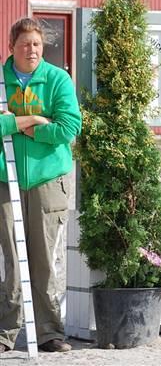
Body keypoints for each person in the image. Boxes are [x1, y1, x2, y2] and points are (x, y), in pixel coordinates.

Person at [0, 18, 82, 354]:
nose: (31, 50)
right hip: (6, 180)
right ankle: (6, 332)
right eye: (24, 44)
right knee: (12, 258)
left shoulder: (57, 79)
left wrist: (27, 129)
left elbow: (68, 127)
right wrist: (31, 119)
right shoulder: (1, 81)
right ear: (11, 46)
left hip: (48, 180)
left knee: (44, 258)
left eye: (36, 44)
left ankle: (49, 332)